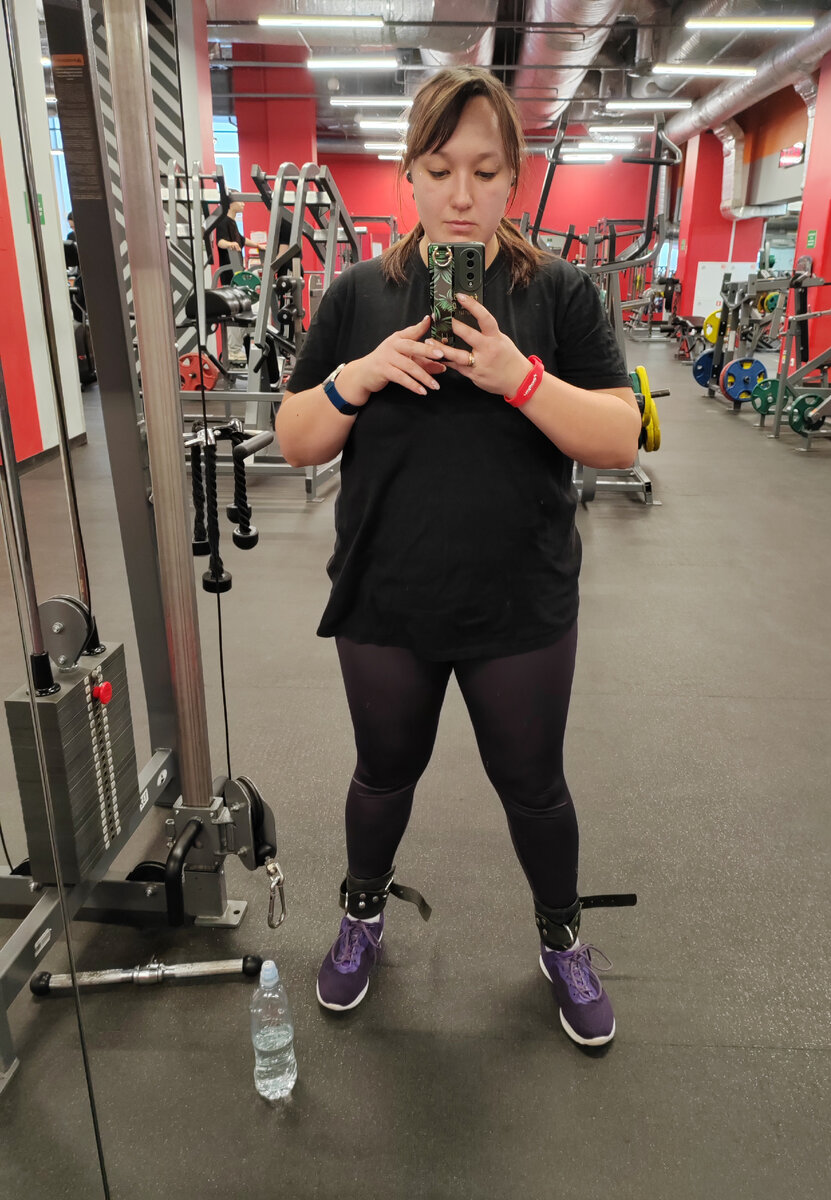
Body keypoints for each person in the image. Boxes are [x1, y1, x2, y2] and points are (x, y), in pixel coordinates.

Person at [275, 66, 641, 1048]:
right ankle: (362, 915)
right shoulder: (359, 295)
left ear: (515, 177)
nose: (463, 194)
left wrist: (520, 378)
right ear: (411, 174)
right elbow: (296, 440)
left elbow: (619, 437)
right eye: (440, 171)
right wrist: (358, 377)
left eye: (485, 171)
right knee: (383, 772)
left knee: (534, 784)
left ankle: (562, 938)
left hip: (519, 599)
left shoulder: (558, 292)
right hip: (387, 595)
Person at [215, 194, 258, 364]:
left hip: (238, 274)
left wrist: (259, 246)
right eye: (240, 201)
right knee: (233, 313)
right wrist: (230, 245)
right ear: (231, 204)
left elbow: (242, 239)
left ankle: (239, 348)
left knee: (244, 310)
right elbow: (220, 242)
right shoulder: (223, 222)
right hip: (229, 275)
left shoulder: (232, 223)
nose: (244, 204)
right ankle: (232, 351)